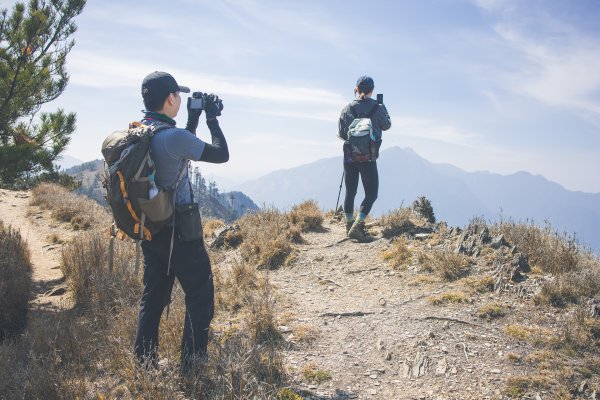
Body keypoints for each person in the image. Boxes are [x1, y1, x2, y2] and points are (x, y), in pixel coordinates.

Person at [134, 71, 229, 374]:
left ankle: (145, 365)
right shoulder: (173, 137)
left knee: (154, 297)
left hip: (152, 228)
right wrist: (212, 120)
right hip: (181, 232)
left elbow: (177, 156)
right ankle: (191, 369)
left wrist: (193, 120)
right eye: (179, 97)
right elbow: (221, 154)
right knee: (200, 296)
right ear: (171, 99)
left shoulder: (143, 131)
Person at [338, 75, 391, 242]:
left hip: (350, 157)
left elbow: (341, 133)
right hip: (369, 158)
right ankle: (357, 226)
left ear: (356, 89)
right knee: (371, 194)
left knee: (350, 192)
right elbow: (387, 126)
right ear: (372, 91)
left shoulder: (347, 108)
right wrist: (382, 109)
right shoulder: (378, 107)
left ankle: (349, 225)